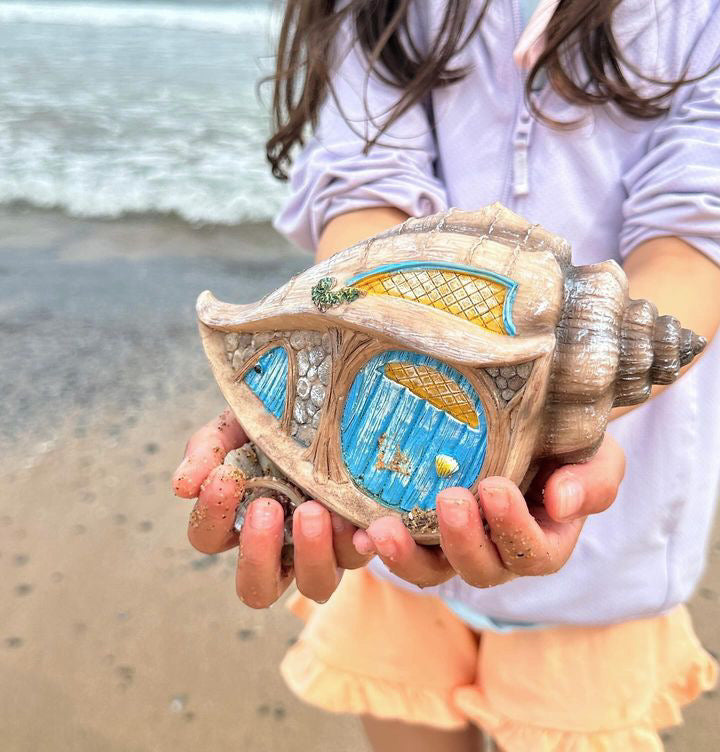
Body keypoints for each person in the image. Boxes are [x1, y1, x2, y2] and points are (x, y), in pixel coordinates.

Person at [173, 1, 720, 749]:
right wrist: (333, 407)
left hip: (606, 556)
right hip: (389, 555)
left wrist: (544, 432)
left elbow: (695, 230)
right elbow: (367, 192)